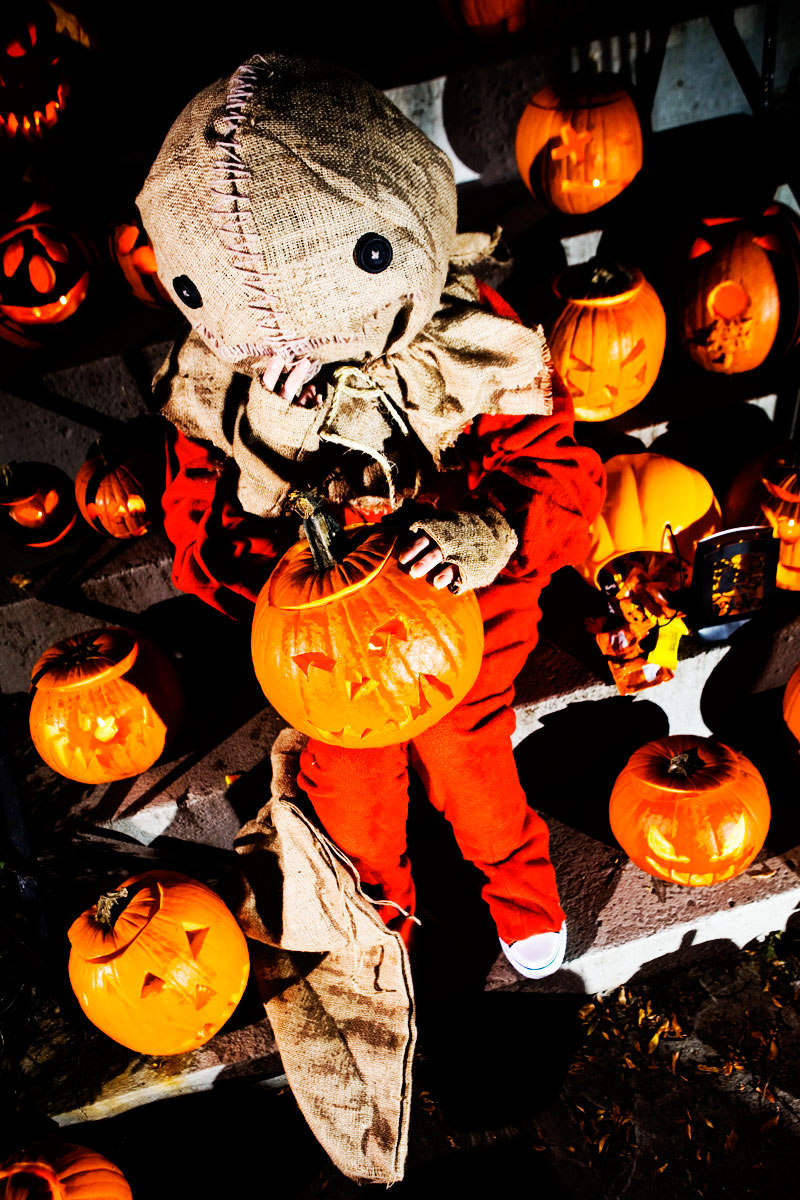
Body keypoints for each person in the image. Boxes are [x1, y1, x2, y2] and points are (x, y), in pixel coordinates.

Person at [139, 51, 605, 979]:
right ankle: (377, 917)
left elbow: (552, 463)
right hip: (326, 621)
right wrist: (272, 463)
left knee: (464, 742)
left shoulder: (465, 337)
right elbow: (206, 539)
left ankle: (517, 881)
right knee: (349, 776)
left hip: (460, 579)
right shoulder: (220, 397)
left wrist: (494, 527)